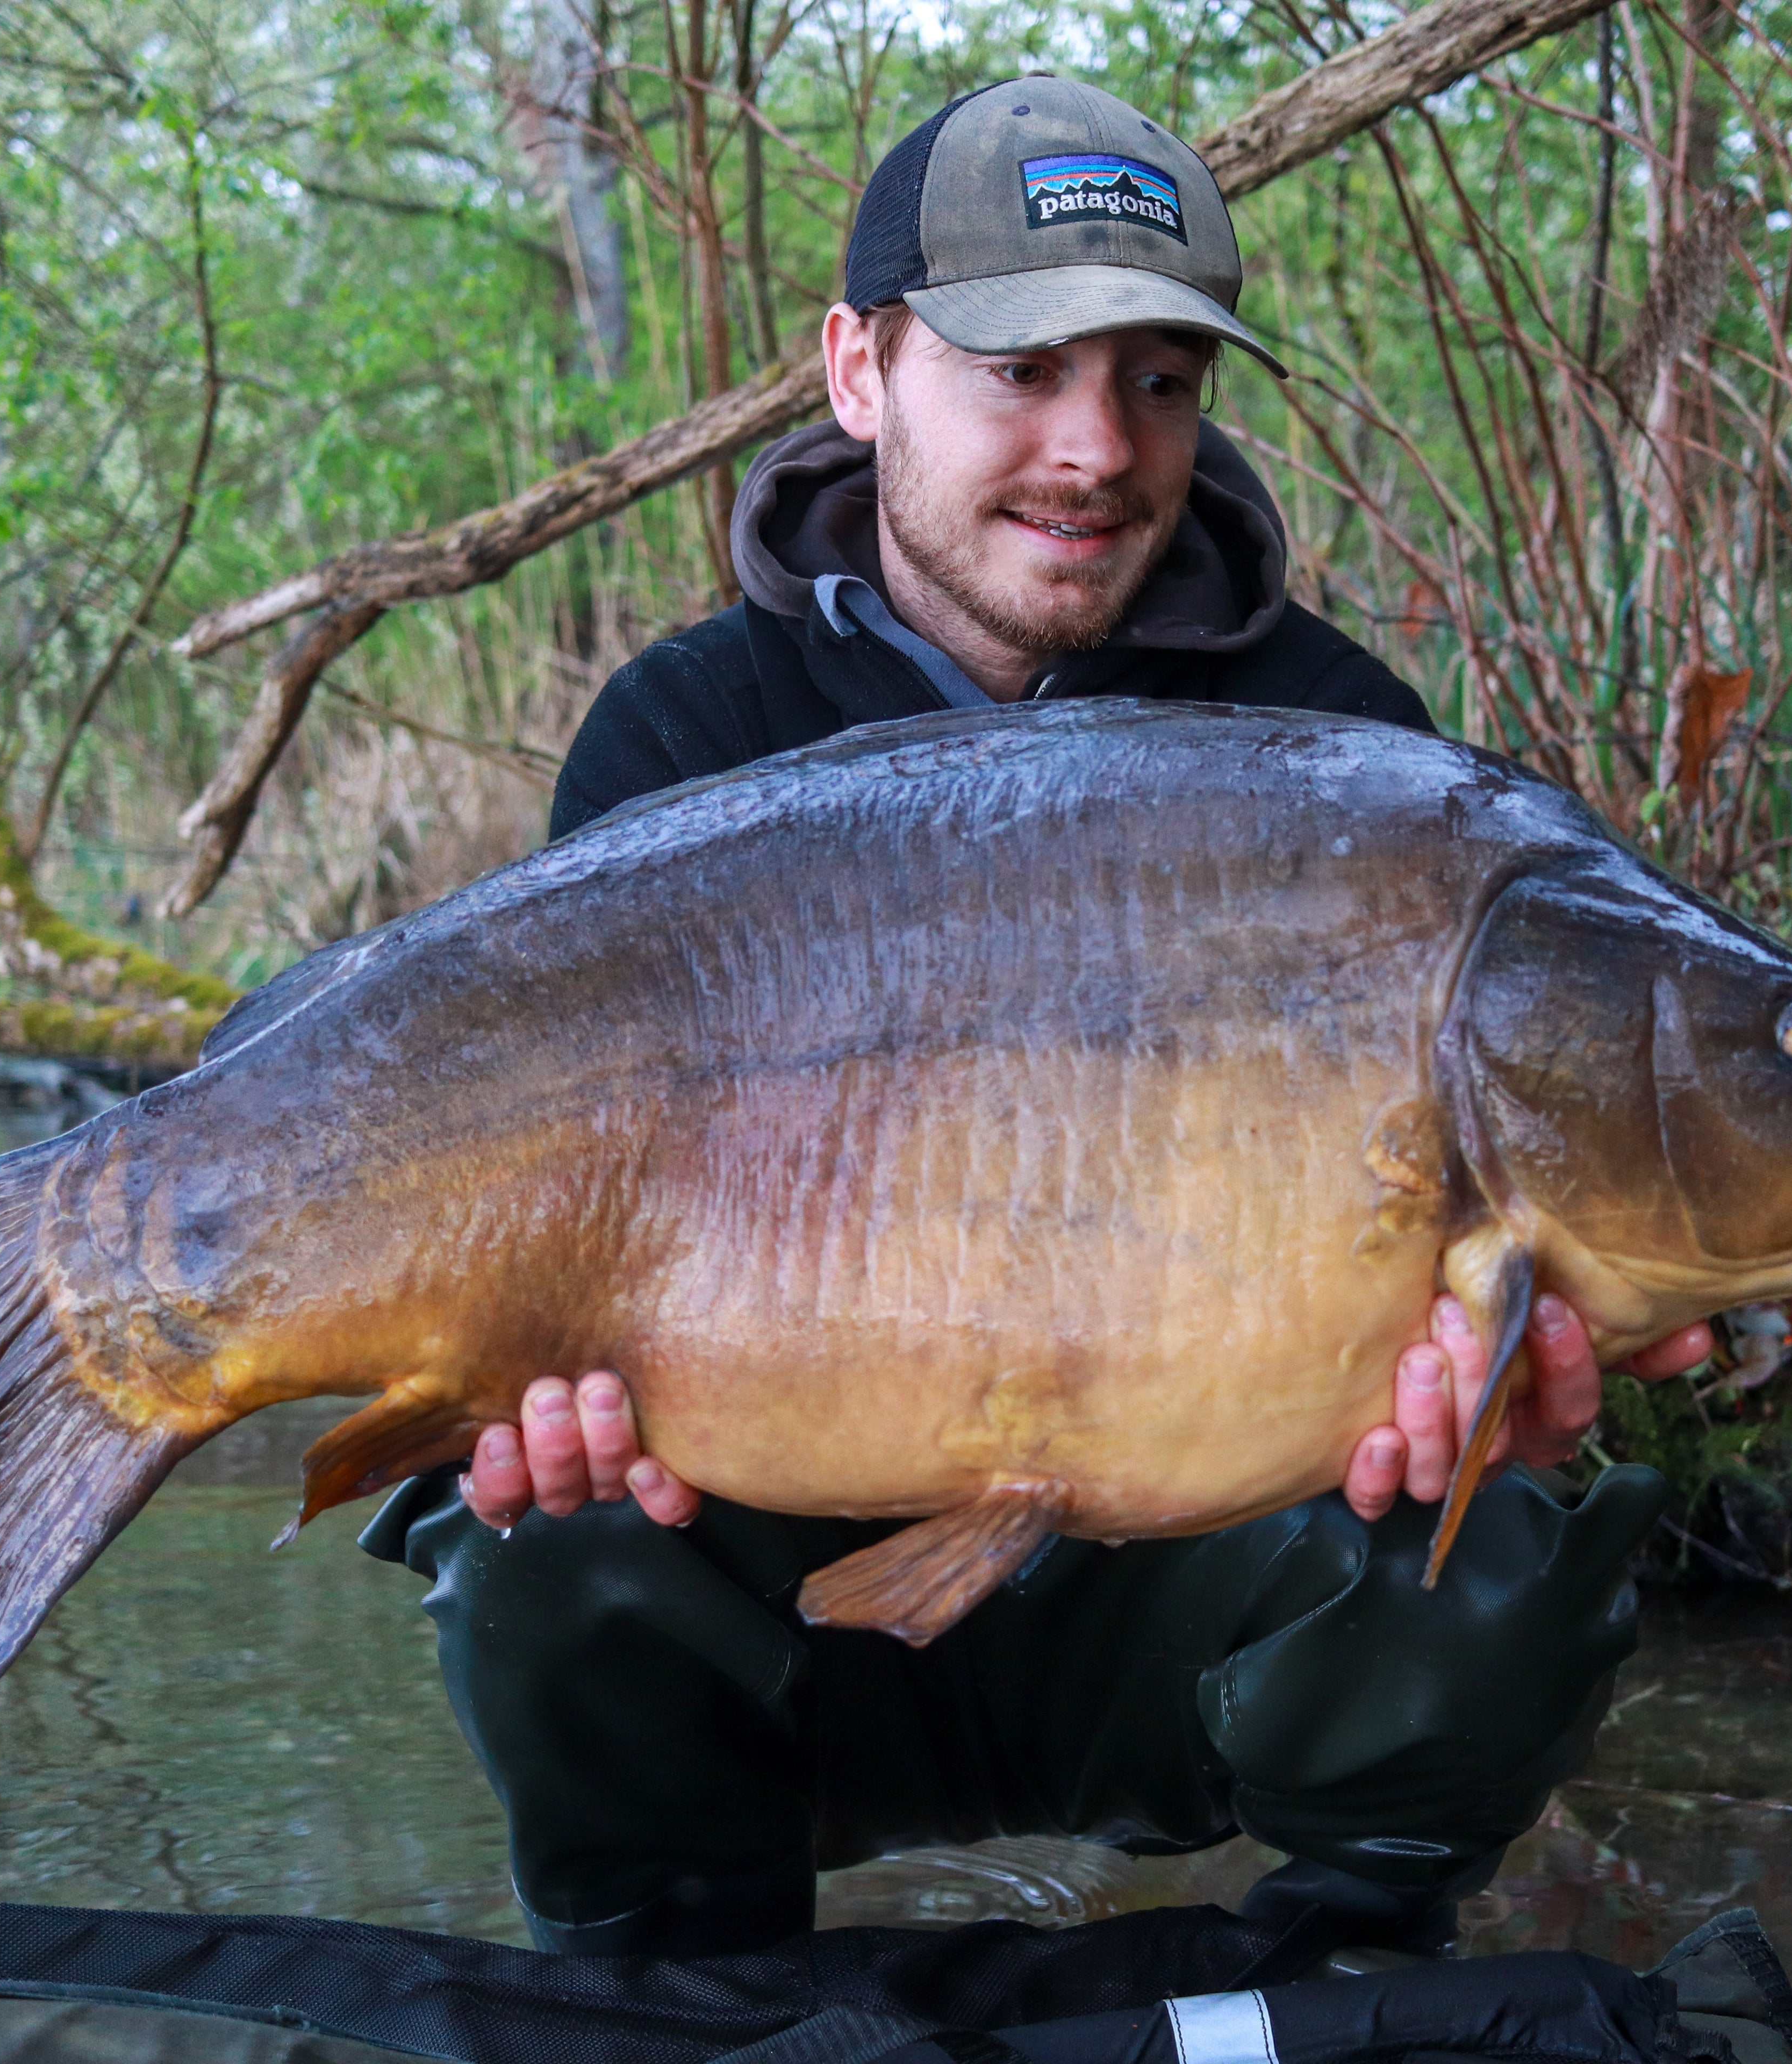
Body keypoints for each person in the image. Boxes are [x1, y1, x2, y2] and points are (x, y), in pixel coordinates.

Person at [362, 75, 1713, 1960]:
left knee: (1499, 1534)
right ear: (859, 369)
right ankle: (684, 1972)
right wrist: (528, 1396)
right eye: (1021, 369)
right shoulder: (684, 738)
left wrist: (1494, 1391)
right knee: (538, 1532)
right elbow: (558, 1226)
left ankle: (1344, 1971)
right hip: (781, 1609)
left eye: (1158, 379)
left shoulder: (1341, 754)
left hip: (1179, 1597)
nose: (1096, 448)